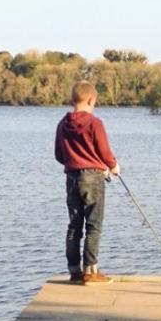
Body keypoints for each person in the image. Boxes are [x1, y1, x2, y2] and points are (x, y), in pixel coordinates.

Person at [54, 80, 120, 284]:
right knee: (94, 225)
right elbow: (104, 152)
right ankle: (90, 272)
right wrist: (113, 166)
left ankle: (74, 271)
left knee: (74, 225)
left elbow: (59, 155)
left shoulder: (62, 124)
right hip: (93, 178)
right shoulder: (95, 123)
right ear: (91, 99)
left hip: (71, 178)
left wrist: (74, 161)